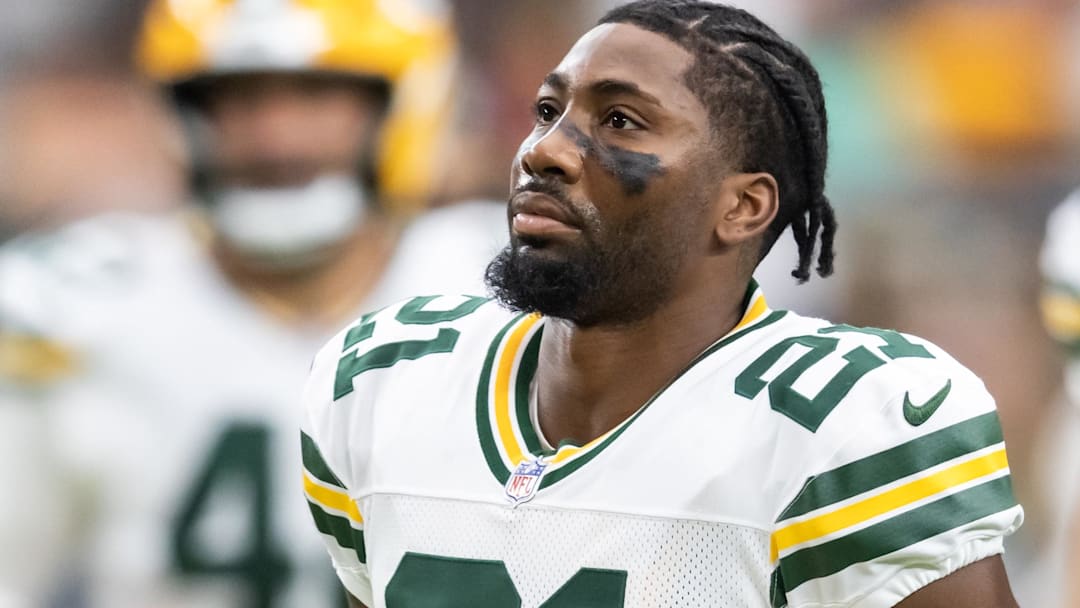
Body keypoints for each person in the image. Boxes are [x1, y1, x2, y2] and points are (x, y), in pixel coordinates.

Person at [300, 2, 1024, 607]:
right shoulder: (388, 380)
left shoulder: (840, 430)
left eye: (620, 121)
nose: (545, 150)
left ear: (742, 206)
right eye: (548, 110)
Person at [0, 0, 504, 606]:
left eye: (315, 96)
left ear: (406, 105)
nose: (276, 137)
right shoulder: (69, 308)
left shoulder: (508, 297)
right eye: (239, 100)